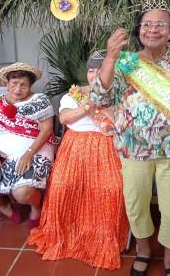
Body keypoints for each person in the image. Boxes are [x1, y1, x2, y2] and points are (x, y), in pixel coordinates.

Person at [90, 0, 170, 276]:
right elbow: (98, 98)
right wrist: (110, 58)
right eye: (147, 24)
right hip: (134, 150)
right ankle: (144, 250)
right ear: (139, 30)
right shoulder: (125, 62)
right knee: (135, 205)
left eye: (161, 24)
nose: (153, 29)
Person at [28, 53, 129, 270]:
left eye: (99, 71)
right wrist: (89, 103)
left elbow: (121, 123)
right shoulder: (73, 94)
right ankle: (64, 233)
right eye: (91, 71)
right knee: (62, 186)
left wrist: (101, 102)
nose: (94, 75)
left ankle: (102, 237)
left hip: (107, 147)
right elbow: (64, 118)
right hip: (74, 147)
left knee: (112, 188)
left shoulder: (121, 95)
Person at [0, 62, 55, 228]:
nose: (18, 89)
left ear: (30, 85)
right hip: (0, 154)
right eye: (14, 84)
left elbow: (47, 130)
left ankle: (37, 206)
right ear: (6, 84)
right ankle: (6, 208)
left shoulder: (39, 101)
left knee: (22, 193)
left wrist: (29, 153)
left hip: (35, 151)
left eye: (23, 85)